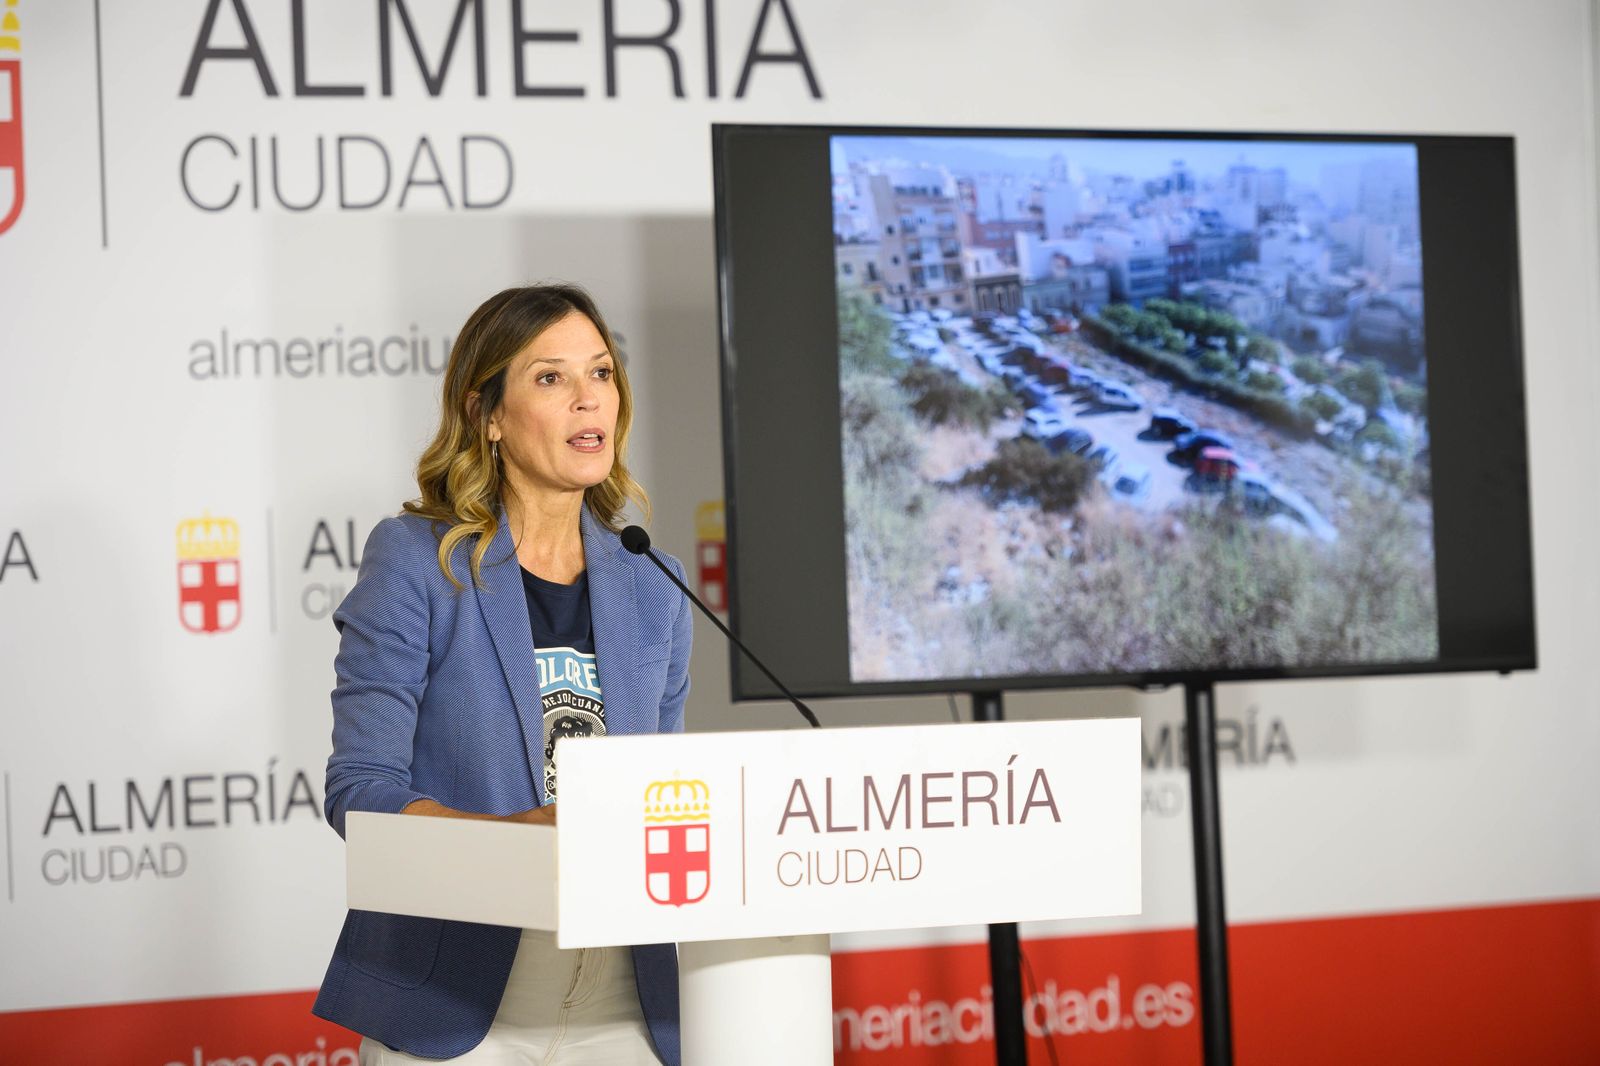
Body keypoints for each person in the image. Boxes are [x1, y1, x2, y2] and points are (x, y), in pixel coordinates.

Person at [312, 284, 692, 1065]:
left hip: (629, 1003)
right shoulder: (418, 562)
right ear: (487, 415)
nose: (589, 399)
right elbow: (361, 790)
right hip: (456, 1007)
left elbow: (666, 793)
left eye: (602, 373)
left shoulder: (655, 583)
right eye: (551, 378)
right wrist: (510, 841)